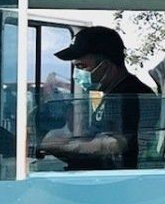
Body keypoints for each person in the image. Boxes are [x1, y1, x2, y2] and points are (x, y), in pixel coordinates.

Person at [38, 26, 155, 172]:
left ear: (105, 66)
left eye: (82, 66)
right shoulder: (110, 94)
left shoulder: (128, 95)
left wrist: (61, 145)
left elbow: (118, 144)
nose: (78, 73)